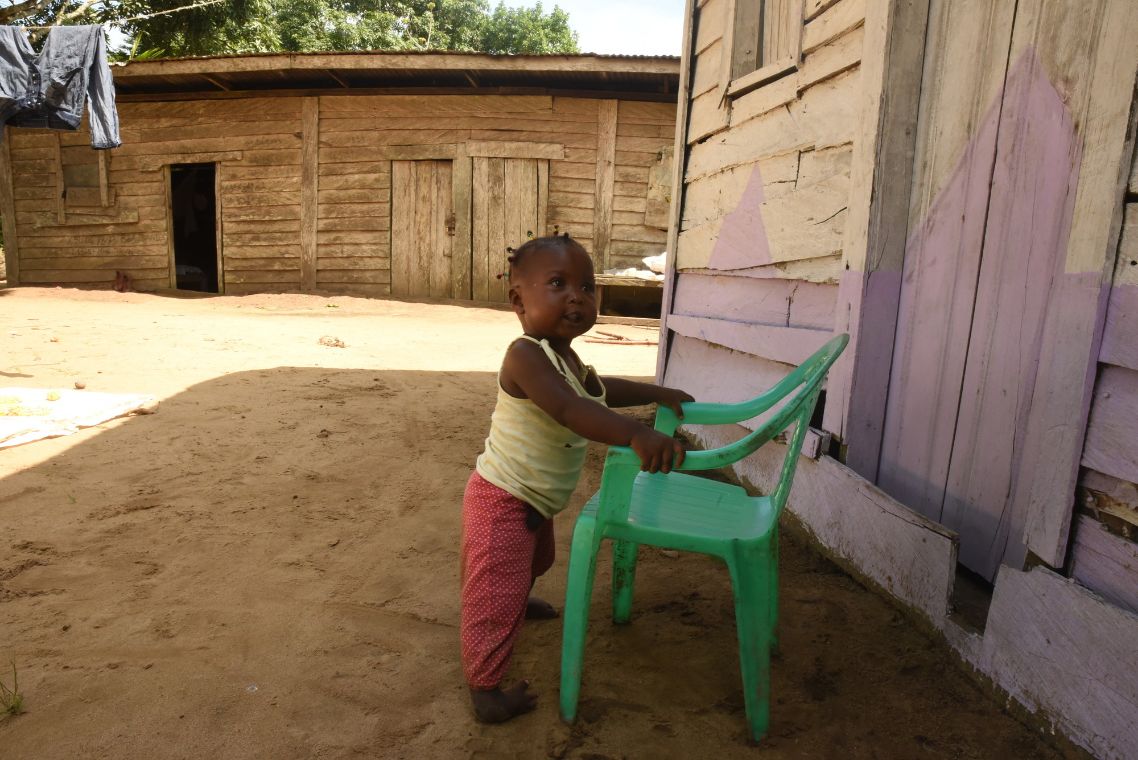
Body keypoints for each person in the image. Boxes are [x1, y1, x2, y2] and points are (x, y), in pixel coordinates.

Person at [460, 233, 694, 723]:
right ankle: (485, 689)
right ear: (518, 300)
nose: (577, 296)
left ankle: (518, 599)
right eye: (558, 283)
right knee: (492, 591)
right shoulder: (524, 355)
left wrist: (658, 391)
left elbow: (601, 391)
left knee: (532, 562)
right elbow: (571, 409)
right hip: (502, 498)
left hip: (535, 500)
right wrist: (635, 434)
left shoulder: (567, 357)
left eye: (587, 287)